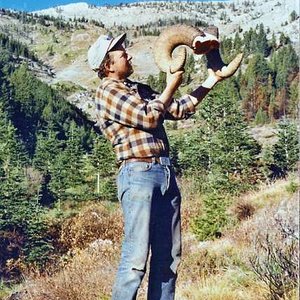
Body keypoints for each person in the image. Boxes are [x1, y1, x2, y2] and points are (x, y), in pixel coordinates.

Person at [87, 33, 225, 300]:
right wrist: (171, 84)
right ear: (108, 65)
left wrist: (212, 79)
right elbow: (149, 118)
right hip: (137, 174)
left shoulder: (138, 89)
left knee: (168, 256)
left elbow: (178, 109)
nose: (129, 55)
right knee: (136, 258)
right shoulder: (108, 90)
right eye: (122, 53)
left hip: (164, 173)